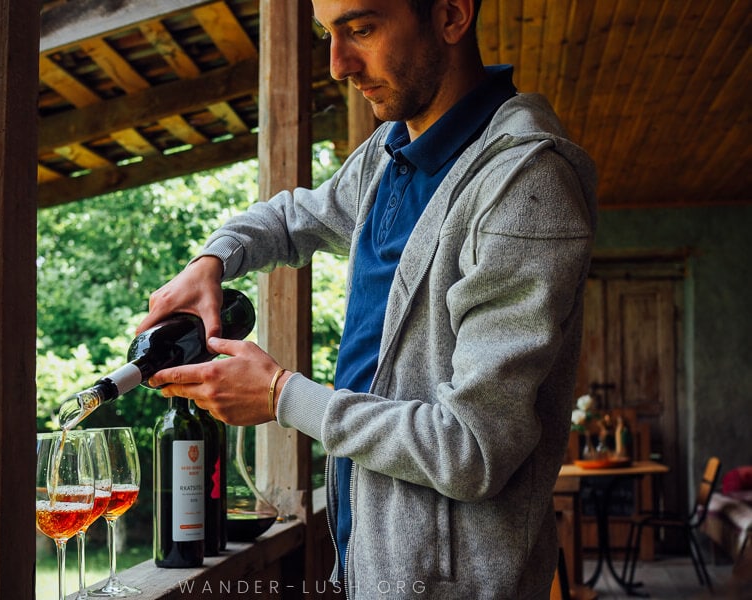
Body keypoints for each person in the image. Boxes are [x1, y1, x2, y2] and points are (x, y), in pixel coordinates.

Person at [137, 0, 597, 597]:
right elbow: (292, 217)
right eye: (327, 33)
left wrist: (281, 396)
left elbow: (472, 449)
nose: (336, 64)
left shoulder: (525, 187)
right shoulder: (391, 152)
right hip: (366, 567)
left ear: (452, 16)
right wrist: (214, 259)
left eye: (361, 29)